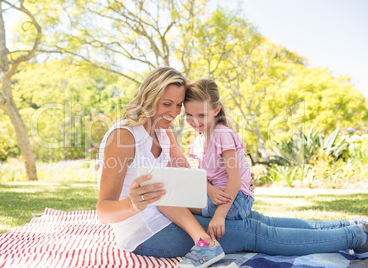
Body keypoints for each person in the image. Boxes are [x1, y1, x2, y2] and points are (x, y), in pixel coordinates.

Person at [96, 68, 368, 268]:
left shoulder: (163, 133)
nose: (175, 113)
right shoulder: (124, 137)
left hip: (175, 214)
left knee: (259, 221)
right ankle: (356, 237)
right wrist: (134, 204)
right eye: (167, 104)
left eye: (179, 105)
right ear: (148, 96)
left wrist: (220, 188)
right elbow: (104, 210)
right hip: (147, 233)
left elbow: (185, 175)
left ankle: (352, 226)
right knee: (256, 234)